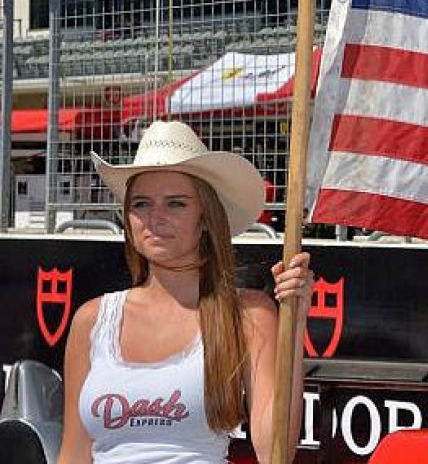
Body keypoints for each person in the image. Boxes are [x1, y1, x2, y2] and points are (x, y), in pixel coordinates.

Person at [57, 120, 314, 464]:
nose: (155, 218)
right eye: (142, 204)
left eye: (176, 204)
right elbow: (73, 454)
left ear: (206, 217)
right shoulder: (91, 320)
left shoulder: (248, 313)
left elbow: (274, 452)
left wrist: (294, 325)